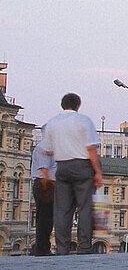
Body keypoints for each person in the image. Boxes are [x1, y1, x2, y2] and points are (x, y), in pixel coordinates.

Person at [40, 93, 102, 255]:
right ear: (78, 105)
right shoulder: (83, 121)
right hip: (82, 167)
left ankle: (62, 248)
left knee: (62, 210)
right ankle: (84, 247)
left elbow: (47, 150)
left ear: (62, 105)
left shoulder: (52, 123)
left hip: (62, 167)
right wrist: (97, 172)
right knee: (85, 208)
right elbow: (91, 149)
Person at [30, 140, 56, 255]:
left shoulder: (50, 147)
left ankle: (44, 247)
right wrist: (47, 188)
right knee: (44, 218)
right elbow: (44, 169)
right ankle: (42, 249)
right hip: (45, 184)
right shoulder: (44, 147)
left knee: (48, 218)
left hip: (47, 184)